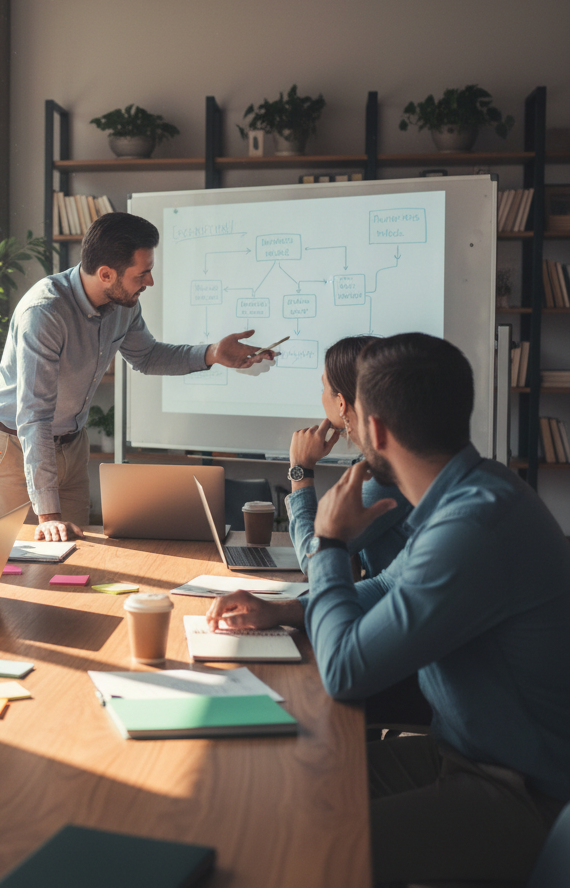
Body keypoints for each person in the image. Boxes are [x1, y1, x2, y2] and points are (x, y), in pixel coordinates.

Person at [206, 333, 570, 884]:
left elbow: (346, 672)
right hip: (457, 754)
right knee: (273, 786)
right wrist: (288, 612)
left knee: (296, 840)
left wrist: (328, 544)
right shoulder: (470, 492)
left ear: (372, 428)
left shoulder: (473, 527)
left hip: (517, 793)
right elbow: (383, 592)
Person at [0, 211, 273, 541]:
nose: (150, 282)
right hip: (15, 446)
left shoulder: (125, 305)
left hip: (71, 445)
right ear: (106, 274)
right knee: (20, 561)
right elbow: (34, 416)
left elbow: (147, 356)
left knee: (75, 554)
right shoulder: (45, 314)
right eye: (143, 273)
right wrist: (48, 514)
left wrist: (212, 353)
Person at [286, 336, 411, 578]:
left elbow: (312, 562)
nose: (321, 396)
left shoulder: (384, 474)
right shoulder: (378, 461)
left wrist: (300, 471)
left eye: (324, 388)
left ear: (341, 403)